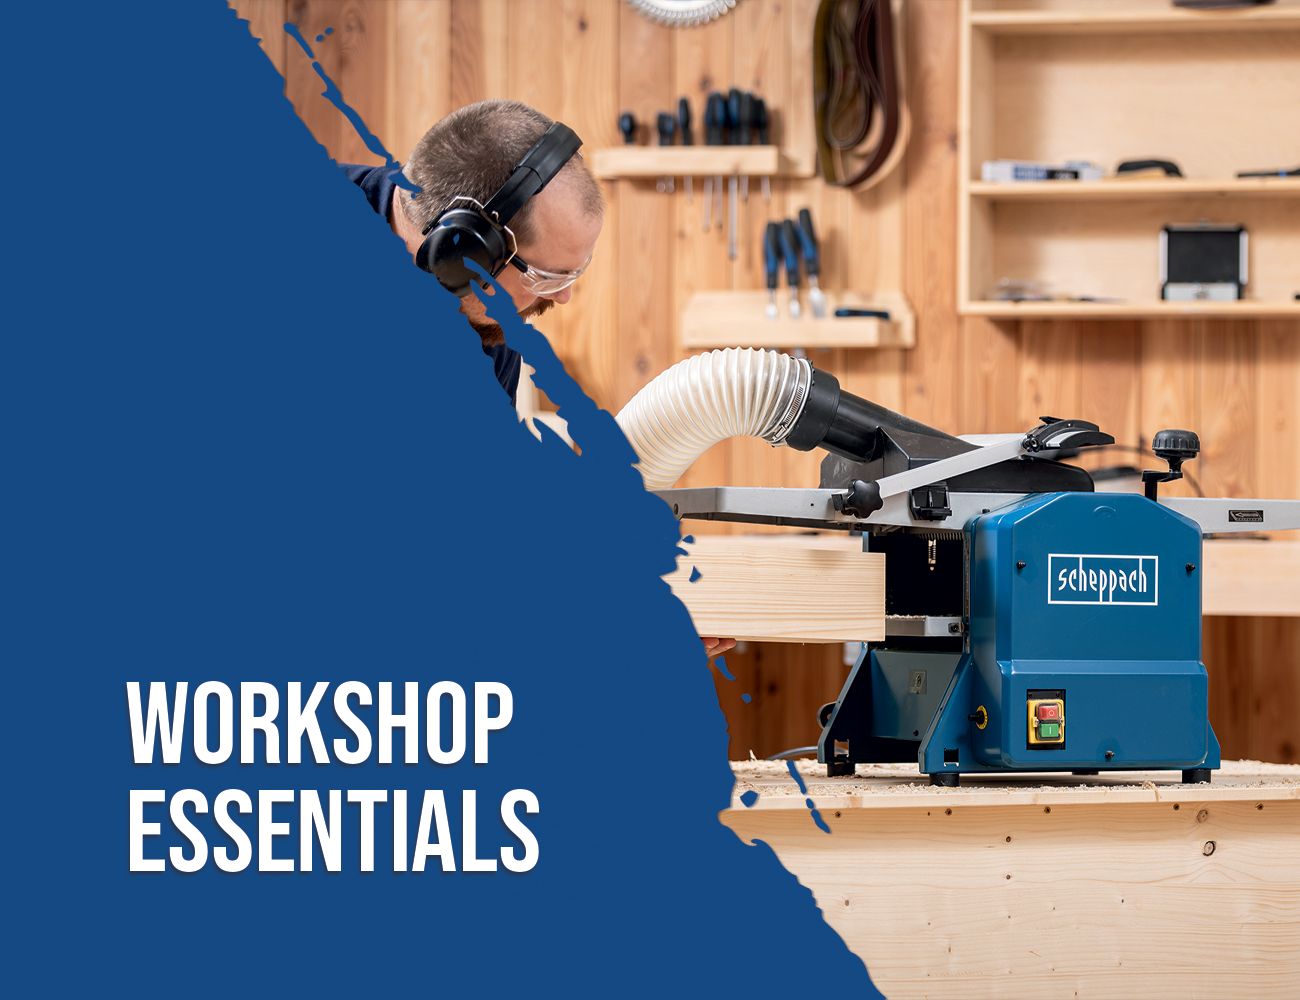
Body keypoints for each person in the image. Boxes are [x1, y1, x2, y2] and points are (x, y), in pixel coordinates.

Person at [342, 98, 735, 662]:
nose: (565, 296)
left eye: (577, 272)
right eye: (549, 275)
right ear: (464, 249)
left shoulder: (476, 326)